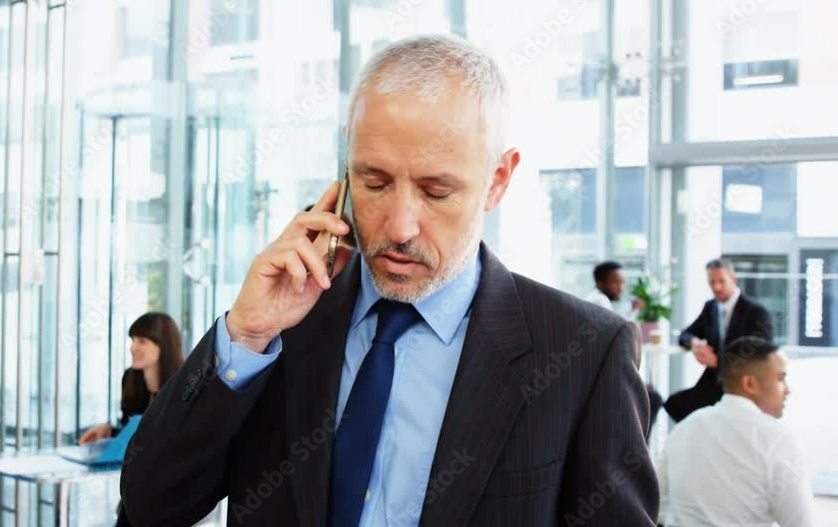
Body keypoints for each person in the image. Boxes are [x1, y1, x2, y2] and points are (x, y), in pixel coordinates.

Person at [121, 35, 658, 526]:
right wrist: (246, 335)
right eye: (374, 182)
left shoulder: (584, 352)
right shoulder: (281, 324)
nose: (399, 228)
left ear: (497, 180)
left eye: (436, 191)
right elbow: (149, 505)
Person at [657, 337, 814, 526]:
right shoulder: (778, 439)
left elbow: (658, 506)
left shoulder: (684, 428)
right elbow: (801, 523)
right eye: (780, 378)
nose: (787, 390)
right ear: (749, 384)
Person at [664, 257, 774, 422]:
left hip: (741, 383)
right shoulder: (711, 307)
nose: (716, 287)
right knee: (674, 404)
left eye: (721, 281)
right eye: (712, 282)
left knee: (714, 417)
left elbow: (761, 355)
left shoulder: (756, 311)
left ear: (734, 279)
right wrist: (695, 344)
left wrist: (717, 361)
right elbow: (685, 335)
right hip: (714, 382)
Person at [79, 312, 184, 444]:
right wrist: (109, 431)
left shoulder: (184, 386)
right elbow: (132, 432)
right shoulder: (130, 378)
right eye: (133, 340)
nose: (132, 348)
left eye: (142, 341)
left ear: (164, 346)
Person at [584, 261, 662, 436]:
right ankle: (639, 447)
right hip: (602, 382)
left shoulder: (596, 300)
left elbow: (617, 328)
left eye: (622, 282)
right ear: (600, 283)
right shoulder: (599, 301)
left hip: (600, 378)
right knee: (653, 398)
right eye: (616, 282)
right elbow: (619, 334)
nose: (621, 287)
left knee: (650, 395)